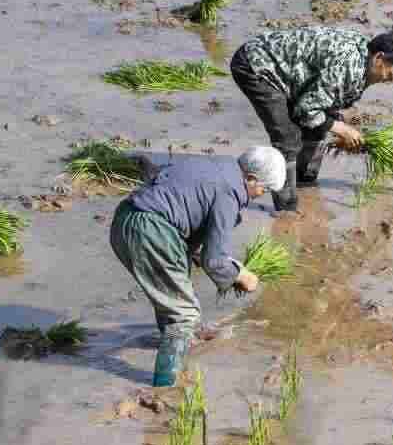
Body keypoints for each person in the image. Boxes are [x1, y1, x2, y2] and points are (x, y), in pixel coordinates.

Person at [109, 143, 286, 387]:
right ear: (251, 178)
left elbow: (185, 213)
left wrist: (206, 258)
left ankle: (174, 342)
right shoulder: (229, 192)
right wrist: (242, 276)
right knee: (184, 314)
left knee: (173, 292)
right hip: (151, 230)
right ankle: (165, 385)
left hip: (124, 220)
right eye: (263, 189)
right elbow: (214, 260)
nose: (260, 195)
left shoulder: (213, 165)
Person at [227, 26, 393, 212]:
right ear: (379, 58)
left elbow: (324, 104)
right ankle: (286, 210)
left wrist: (337, 129)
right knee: (288, 139)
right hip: (257, 65)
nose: (390, 80)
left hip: (288, 73)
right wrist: (342, 129)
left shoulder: (363, 59)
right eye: (391, 74)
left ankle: (304, 181)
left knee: (319, 125)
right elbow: (306, 109)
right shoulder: (348, 66)